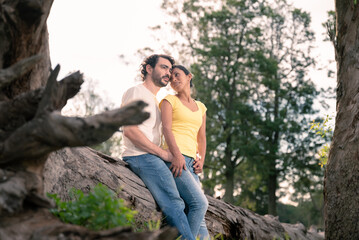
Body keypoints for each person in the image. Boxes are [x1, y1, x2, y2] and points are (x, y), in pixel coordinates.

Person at [121, 54, 198, 240]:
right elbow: (130, 131)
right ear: (149, 68)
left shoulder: (158, 101)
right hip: (140, 156)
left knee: (192, 202)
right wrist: (164, 154)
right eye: (164, 67)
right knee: (174, 202)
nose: (168, 73)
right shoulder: (136, 92)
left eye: (170, 70)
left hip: (154, 156)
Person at [160, 65, 209, 239]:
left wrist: (201, 160)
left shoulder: (201, 107)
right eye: (171, 77)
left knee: (199, 217)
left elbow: (201, 138)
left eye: (177, 75)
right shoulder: (169, 100)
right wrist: (177, 156)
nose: (174, 79)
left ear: (189, 77)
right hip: (174, 159)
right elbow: (166, 129)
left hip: (191, 164)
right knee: (200, 204)